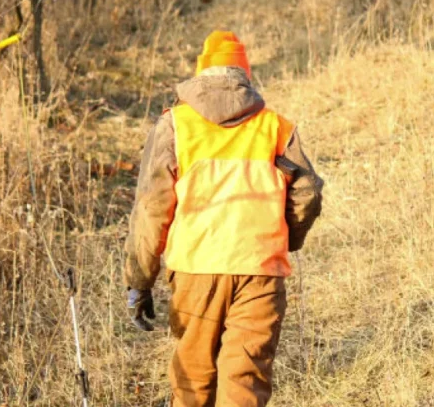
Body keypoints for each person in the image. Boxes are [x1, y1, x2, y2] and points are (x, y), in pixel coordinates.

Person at [123, 30, 323, 406]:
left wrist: (139, 280)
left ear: (201, 74)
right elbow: (308, 193)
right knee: (244, 382)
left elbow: (152, 207)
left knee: (193, 380)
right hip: (260, 270)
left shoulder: (175, 126)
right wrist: (286, 237)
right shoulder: (276, 127)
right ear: (246, 77)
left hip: (196, 270)